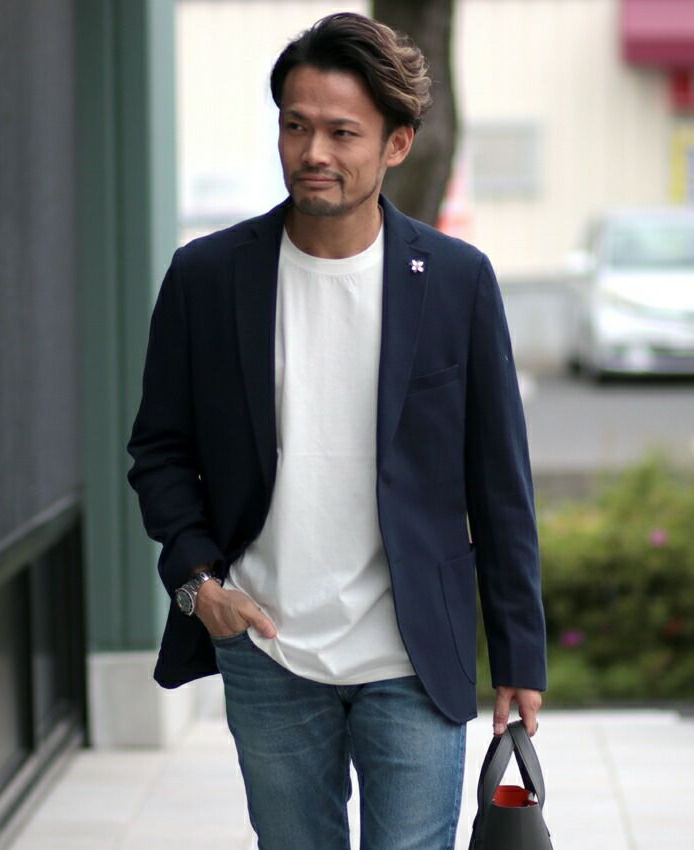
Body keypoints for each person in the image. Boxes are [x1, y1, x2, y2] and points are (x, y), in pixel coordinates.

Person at [127, 11, 546, 849]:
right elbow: (160, 451)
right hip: (268, 651)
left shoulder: (456, 281)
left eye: (342, 132)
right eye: (296, 126)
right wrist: (200, 585)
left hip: (412, 657)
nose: (312, 150)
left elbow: (500, 481)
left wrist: (519, 656)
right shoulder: (207, 278)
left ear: (397, 144)